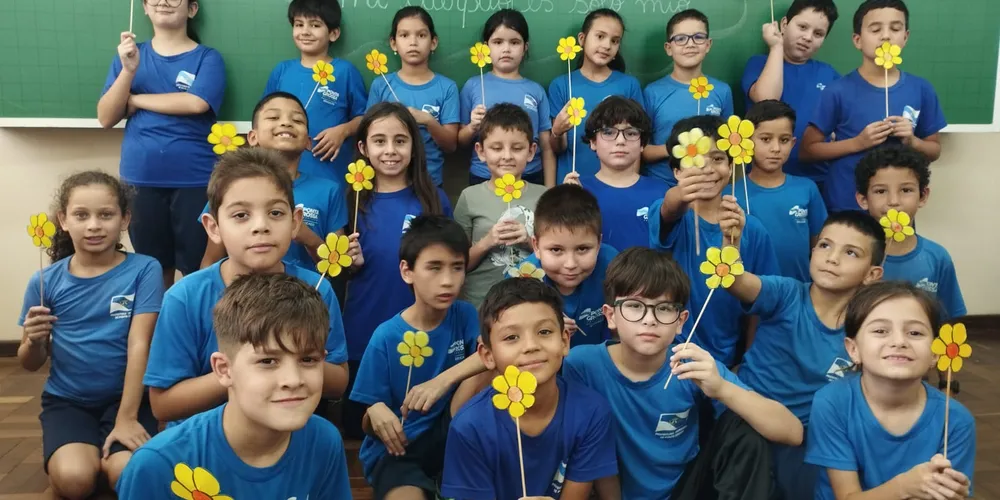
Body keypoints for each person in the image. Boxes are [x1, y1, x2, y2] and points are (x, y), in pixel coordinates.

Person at [563, 248, 802, 499]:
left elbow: (793, 432)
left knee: (745, 431)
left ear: (681, 321)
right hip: (615, 492)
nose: (649, 320)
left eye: (664, 308)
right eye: (634, 306)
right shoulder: (582, 365)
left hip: (688, 489)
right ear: (610, 316)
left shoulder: (691, 363)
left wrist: (722, 387)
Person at [143, 148, 349, 426]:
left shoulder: (317, 289)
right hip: (204, 447)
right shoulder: (185, 297)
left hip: (288, 435)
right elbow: (163, 405)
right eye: (241, 215)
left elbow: (339, 381)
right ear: (213, 227)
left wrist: (286, 358)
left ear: (295, 222)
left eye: (276, 212)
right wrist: (244, 368)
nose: (261, 226)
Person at [116, 273, 352, 499]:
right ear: (223, 369)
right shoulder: (157, 465)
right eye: (267, 361)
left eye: (308, 360)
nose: (293, 379)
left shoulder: (324, 442)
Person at [718, 211, 885, 499]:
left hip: (807, 440)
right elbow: (735, 281)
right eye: (824, 245)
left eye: (851, 253)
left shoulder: (867, 331)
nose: (832, 258)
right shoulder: (786, 293)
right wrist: (730, 242)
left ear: (872, 274)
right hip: (749, 422)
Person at [18, 172, 162, 499]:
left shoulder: (145, 269)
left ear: (125, 219)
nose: (94, 225)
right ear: (63, 220)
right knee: (74, 480)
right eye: (81, 215)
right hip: (68, 402)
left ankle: (106, 458)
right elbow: (29, 363)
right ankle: (86, 460)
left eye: (106, 215)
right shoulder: (44, 282)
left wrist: (126, 417)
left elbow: (140, 343)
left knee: (127, 474)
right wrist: (34, 341)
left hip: (130, 401)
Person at [442, 278, 619, 500]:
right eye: (511, 337)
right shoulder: (469, 427)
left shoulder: (591, 412)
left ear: (565, 341)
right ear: (488, 355)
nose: (531, 346)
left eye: (544, 332)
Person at [350, 216, 484, 500]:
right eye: (434, 268)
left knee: (487, 363)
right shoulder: (386, 336)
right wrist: (374, 410)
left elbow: (491, 357)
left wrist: (442, 381)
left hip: (453, 436)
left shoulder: (465, 315)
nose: (448, 281)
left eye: (457, 268)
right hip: (398, 451)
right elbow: (368, 419)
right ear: (407, 271)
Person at [340, 102, 452, 439]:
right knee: (359, 428)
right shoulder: (351, 199)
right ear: (362, 148)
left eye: (400, 141)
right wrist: (350, 264)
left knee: (418, 426)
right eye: (379, 141)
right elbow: (332, 269)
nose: (390, 151)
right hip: (363, 332)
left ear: (414, 148)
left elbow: (446, 266)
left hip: (421, 334)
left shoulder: (433, 200)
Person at [806, 281, 975, 500]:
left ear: (935, 353)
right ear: (853, 349)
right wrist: (905, 487)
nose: (899, 341)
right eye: (880, 330)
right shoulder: (831, 403)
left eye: (915, 332)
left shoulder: (956, 420)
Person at [97, 0, 224, 288]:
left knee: (198, 269)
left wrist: (135, 100)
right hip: (141, 177)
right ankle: (158, 332)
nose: (164, 2)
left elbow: (196, 103)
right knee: (154, 268)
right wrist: (128, 71)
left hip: (195, 179)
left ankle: (194, 329)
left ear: (192, 9)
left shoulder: (208, 57)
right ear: (144, 7)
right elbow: (106, 117)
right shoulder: (128, 56)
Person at [649, 115, 780, 366]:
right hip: (670, 354)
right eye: (695, 159)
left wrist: (747, 360)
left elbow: (760, 305)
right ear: (677, 171)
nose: (707, 168)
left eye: (718, 159)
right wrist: (680, 194)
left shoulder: (752, 229)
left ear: (731, 167)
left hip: (728, 359)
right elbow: (669, 207)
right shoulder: (669, 214)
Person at [800, 0, 945, 211]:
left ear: (905, 37)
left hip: (897, 213)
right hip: (845, 207)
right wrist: (858, 143)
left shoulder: (921, 89)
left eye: (895, 29)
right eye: (875, 29)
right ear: (858, 40)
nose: (886, 36)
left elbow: (934, 150)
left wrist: (912, 140)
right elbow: (807, 151)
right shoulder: (837, 91)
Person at [855, 143, 966, 391]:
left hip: (916, 378)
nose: (893, 202)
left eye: (906, 190)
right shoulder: (854, 256)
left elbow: (946, 325)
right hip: (860, 376)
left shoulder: (937, 258)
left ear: (923, 196)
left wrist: (947, 381)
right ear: (863, 199)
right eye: (880, 191)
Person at [199, 92, 348, 271]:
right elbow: (211, 261)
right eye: (273, 117)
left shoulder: (329, 190)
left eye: (298, 120)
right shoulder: (231, 188)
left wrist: (309, 238)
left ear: (309, 143)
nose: (286, 123)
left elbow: (338, 267)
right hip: (242, 296)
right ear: (252, 137)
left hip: (306, 295)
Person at [263, 0, 367, 185]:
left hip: (330, 173)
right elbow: (264, 117)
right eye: (299, 24)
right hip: (282, 175)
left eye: (315, 25)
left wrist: (343, 131)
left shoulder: (345, 71)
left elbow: (365, 118)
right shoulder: (282, 70)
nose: (305, 31)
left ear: (333, 33)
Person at [455, 104, 546, 308]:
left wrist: (529, 242)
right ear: (481, 151)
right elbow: (457, 264)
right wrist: (487, 241)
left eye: (517, 148)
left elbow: (556, 256)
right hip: (481, 302)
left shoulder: (544, 196)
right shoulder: (470, 197)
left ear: (531, 151)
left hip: (533, 302)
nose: (506, 156)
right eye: (496, 148)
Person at [741, 0, 840, 185]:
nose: (808, 37)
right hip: (762, 179)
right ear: (784, 24)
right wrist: (776, 47)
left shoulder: (829, 74)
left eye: (818, 33)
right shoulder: (758, 64)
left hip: (818, 178)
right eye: (802, 27)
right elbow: (767, 101)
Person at [459, 9, 556, 186]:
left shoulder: (536, 90)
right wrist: (473, 126)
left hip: (530, 176)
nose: (506, 49)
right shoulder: (473, 86)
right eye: (497, 42)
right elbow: (460, 141)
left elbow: (546, 147)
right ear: (486, 46)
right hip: (484, 177)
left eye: (514, 42)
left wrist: (549, 191)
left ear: (525, 47)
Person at [367, 6, 460, 187]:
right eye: (404, 35)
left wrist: (428, 121)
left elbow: (450, 145)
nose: (413, 42)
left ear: (433, 42)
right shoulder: (381, 85)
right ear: (393, 43)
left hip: (429, 182)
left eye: (421, 35)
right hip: (386, 183)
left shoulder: (447, 87)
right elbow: (368, 135)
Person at [735, 100, 827, 282]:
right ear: (746, 142)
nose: (775, 148)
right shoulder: (731, 194)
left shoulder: (807, 189)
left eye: (784, 140)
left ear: (793, 143)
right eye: (765, 139)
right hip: (750, 294)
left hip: (799, 291)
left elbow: (820, 245)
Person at [548, 9, 644, 182]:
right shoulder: (561, 85)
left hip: (616, 184)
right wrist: (557, 132)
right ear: (582, 39)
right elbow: (557, 149)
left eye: (614, 41)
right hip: (573, 184)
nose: (607, 46)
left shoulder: (629, 85)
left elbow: (635, 141)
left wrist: (631, 182)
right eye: (600, 36)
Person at [643, 9, 734, 186]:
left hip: (709, 185)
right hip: (663, 186)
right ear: (669, 48)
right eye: (680, 38)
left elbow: (730, 148)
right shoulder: (652, 92)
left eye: (698, 37)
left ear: (708, 44)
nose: (690, 44)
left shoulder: (722, 91)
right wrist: (680, 148)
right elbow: (642, 151)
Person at [520, 185, 619, 346]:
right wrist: (542, 329)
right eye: (556, 250)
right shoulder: (522, 278)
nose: (570, 264)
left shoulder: (611, 264)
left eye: (582, 249)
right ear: (536, 246)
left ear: (599, 243)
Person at [568, 96, 669, 252]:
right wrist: (566, 201)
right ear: (593, 142)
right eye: (608, 132)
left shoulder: (662, 192)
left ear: (642, 143)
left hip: (649, 276)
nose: (620, 141)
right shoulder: (578, 189)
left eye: (631, 133)